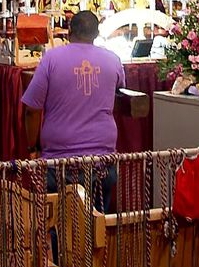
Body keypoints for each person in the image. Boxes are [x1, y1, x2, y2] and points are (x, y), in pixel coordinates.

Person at [22, 11, 125, 212]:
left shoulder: (51, 58)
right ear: (97, 33)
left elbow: (32, 110)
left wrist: (31, 148)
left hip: (60, 160)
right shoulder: (113, 60)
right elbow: (119, 95)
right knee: (97, 221)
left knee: (57, 223)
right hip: (101, 158)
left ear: (69, 32)